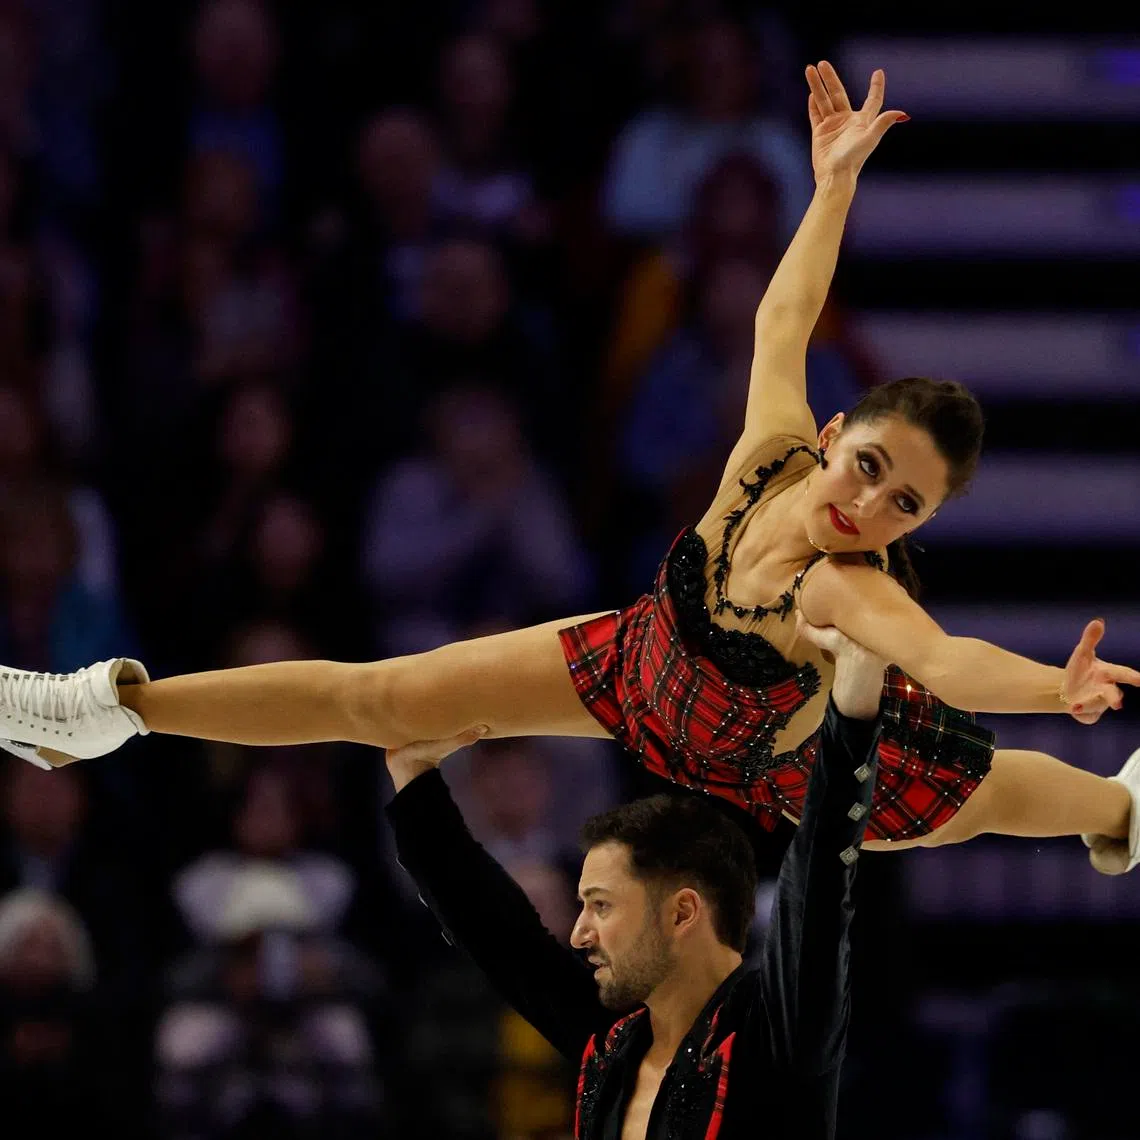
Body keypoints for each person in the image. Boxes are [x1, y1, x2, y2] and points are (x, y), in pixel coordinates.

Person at [2, 63, 1139, 875]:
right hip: (634, 669)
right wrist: (833, 185)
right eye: (873, 466)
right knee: (381, 697)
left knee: (977, 800)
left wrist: (1059, 690)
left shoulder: (850, 590)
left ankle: (1117, 806)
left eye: (906, 505)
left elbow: (943, 659)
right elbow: (785, 317)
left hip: (776, 771)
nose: (870, 504)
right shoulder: (771, 451)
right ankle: (106, 711)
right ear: (833, 433)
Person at [384, 617, 886, 1138]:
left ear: (681, 912)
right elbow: (498, 936)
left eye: (601, 906)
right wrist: (413, 774)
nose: (579, 934)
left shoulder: (776, 1035)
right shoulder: (610, 1044)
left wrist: (855, 700)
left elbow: (819, 879)